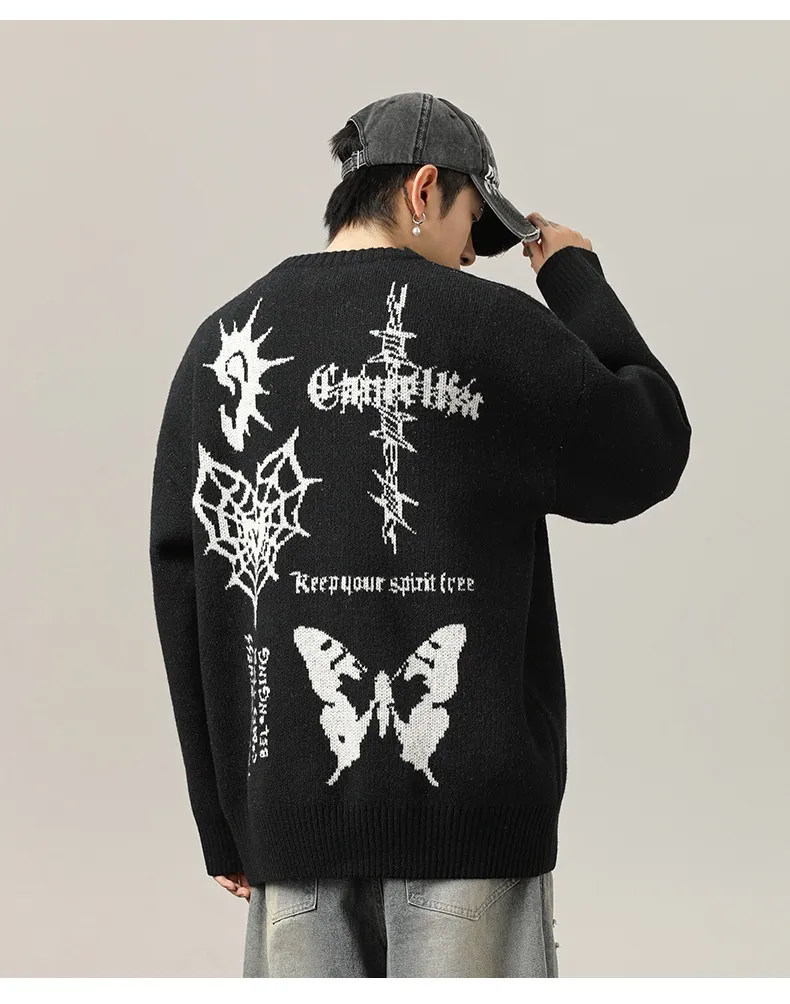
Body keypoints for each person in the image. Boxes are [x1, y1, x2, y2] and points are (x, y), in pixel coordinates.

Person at [148, 91, 692, 978]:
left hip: (291, 818)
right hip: (471, 820)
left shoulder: (225, 344)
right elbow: (652, 445)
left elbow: (183, 581)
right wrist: (574, 279)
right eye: (474, 226)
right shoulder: (494, 329)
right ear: (424, 189)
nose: (472, 258)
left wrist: (224, 821)